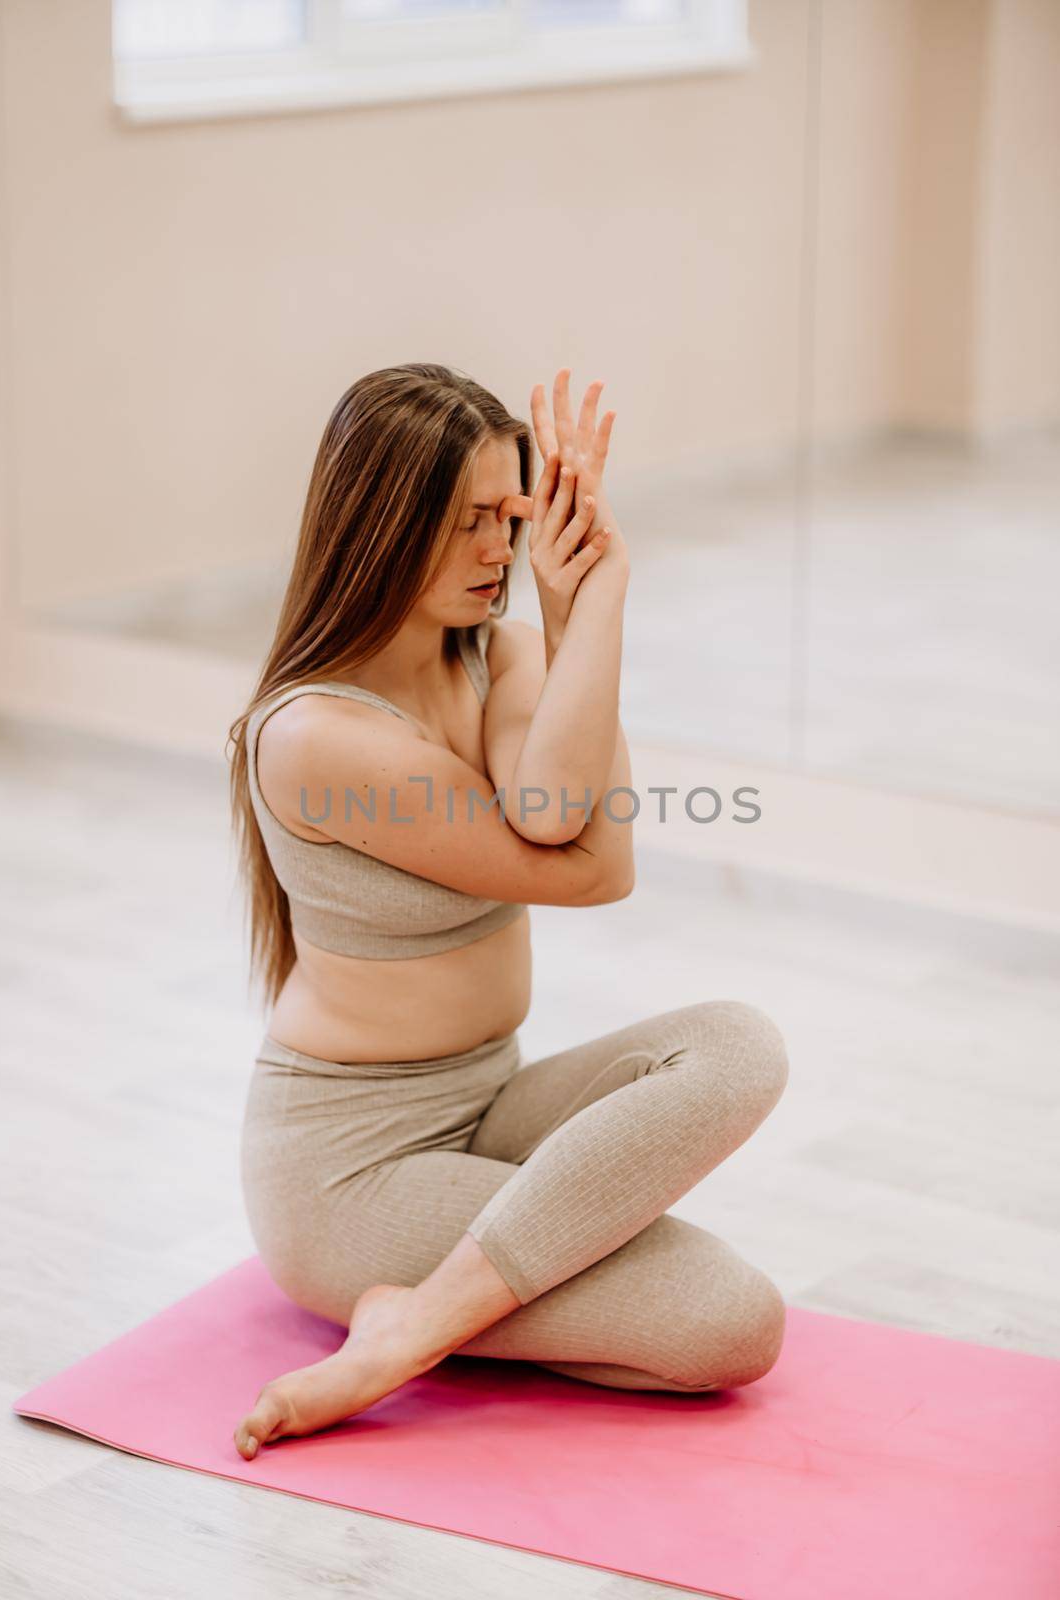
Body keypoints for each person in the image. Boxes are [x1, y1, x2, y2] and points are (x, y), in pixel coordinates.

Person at [226, 364, 789, 1460]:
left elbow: (552, 809)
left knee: (735, 1045)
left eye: (512, 514)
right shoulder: (313, 736)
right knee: (733, 1323)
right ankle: (414, 1321)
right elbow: (585, 869)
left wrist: (589, 605)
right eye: (469, 521)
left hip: (484, 1104)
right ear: (382, 523)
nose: (500, 549)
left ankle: (420, 1319)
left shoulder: (497, 653)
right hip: (352, 1172)